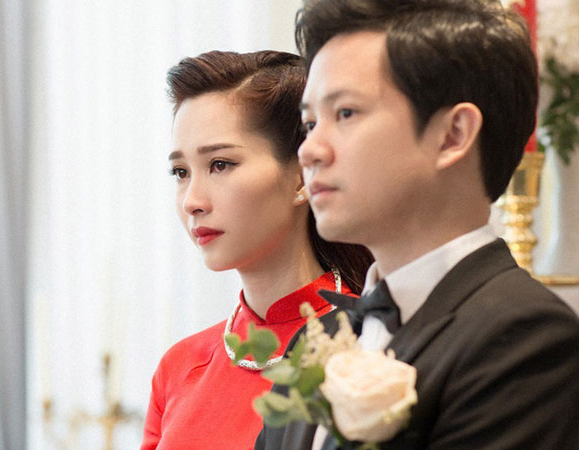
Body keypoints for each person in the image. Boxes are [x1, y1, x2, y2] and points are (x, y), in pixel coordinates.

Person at [255, 1, 579, 449]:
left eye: (345, 113)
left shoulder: (526, 339)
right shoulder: (319, 341)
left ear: (453, 134)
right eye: (310, 123)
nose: (309, 151)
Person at [140, 50, 373, 450]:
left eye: (220, 164)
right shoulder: (180, 367)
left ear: (302, 176)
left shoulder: (368, 348)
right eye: (181, 172)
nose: (192, 201)